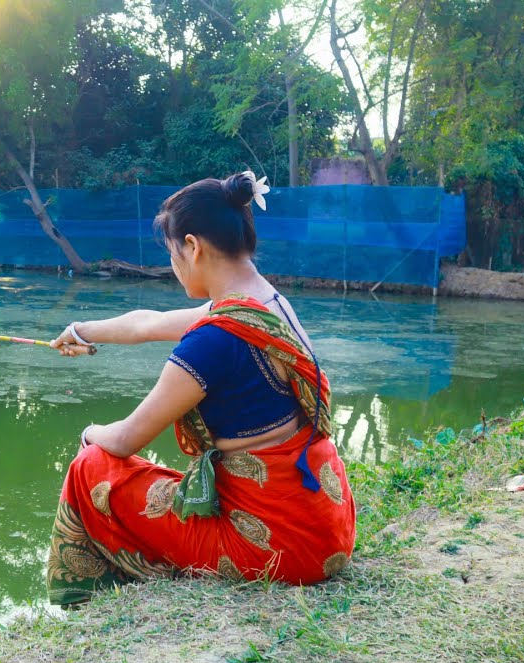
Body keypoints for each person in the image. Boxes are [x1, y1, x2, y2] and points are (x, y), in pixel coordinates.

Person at [44, 171, 355, 607]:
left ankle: (91, 597)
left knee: (91, 465)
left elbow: (126, 439)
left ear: (192, 246)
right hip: (327, 528)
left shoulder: (214, 339)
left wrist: (89, 433)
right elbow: (147, 323)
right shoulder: (267, 304)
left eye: (173, 253)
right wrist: (80, 329)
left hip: (278, 552)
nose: (174, 266)